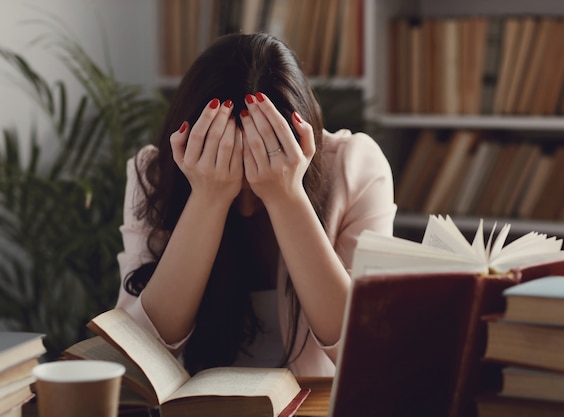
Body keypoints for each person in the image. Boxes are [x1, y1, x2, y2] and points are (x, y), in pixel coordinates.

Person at [114, 32, 396, 377]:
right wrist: (208, 197)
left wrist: (286, 195)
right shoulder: (157, 174)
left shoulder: (355, 166)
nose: (247, 203)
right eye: (230, 166)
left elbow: (365, 352)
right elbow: (139, 352)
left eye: (262, 163)